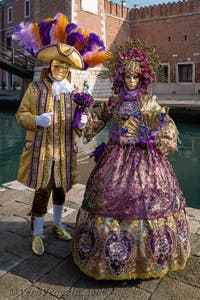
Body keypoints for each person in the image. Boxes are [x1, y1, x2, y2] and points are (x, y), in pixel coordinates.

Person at [72, 42, 190, 280]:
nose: (132, 82)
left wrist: (157, 138)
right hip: (115, 157)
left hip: (143, 157)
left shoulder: (148, 102)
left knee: (148, 197)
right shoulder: (113, 102)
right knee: (105, 196)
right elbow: (97, 121)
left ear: (142, 79)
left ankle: (150, 257)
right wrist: (82, 118)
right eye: (128, 77)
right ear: (121, 78)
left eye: (136, 77)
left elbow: (166, 124)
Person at [13, 13, 111, 255]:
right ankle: (36, 233)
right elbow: (20, 114)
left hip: (65, 151)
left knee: (60, 189)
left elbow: (78, 126)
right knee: (42, 190)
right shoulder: (35, 89)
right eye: (56, 65)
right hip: (42, 151)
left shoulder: (73, 93)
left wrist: (82, 119)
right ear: (50, 65)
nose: (59, 69)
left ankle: (57, 224)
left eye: (64, 66)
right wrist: (36, 119)